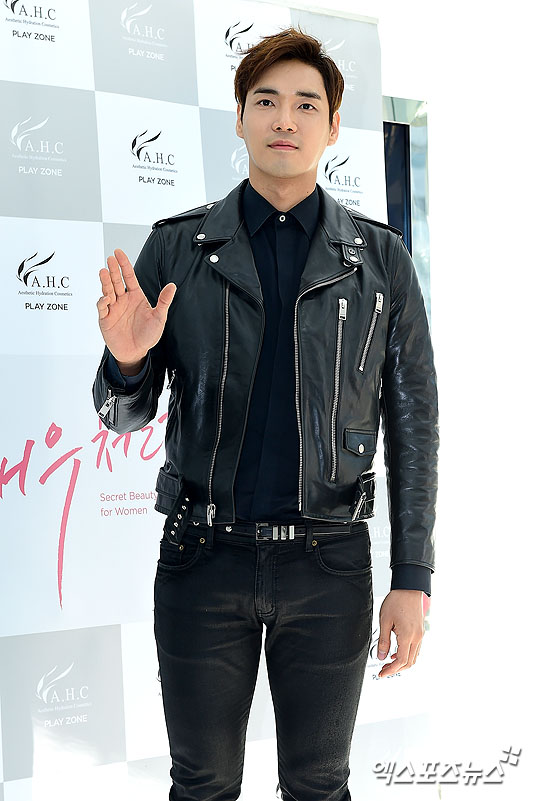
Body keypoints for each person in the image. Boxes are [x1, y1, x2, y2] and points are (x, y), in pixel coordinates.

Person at [92, 26, 438, 801]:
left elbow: (416, 421)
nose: (286, 118)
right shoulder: (177, 249)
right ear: (242, 119)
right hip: (201, 557)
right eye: (267, 101)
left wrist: (412, 575)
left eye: (306, 104)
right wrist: (127, 362)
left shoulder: (381, 260)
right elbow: (123, 417)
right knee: (202, 784)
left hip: (331, 562)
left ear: (333, 127)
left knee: (320, 784)